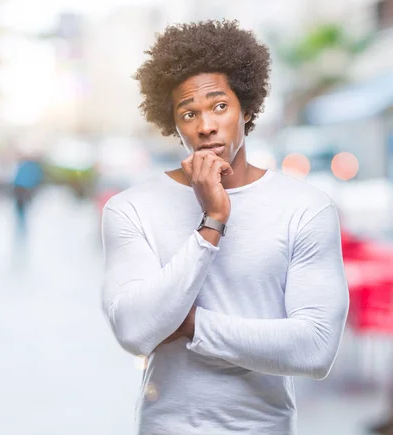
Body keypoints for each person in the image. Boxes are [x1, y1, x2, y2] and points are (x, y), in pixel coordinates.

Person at [101, 20, 349, 434]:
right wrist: (212, 221)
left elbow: (316, 348)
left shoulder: (306, 208)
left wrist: (190, 324)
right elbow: (134, 330)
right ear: (173, 123)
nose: (206, 125)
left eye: (219, 106)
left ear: (246, 108)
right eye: (188, 112)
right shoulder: (131, 209)